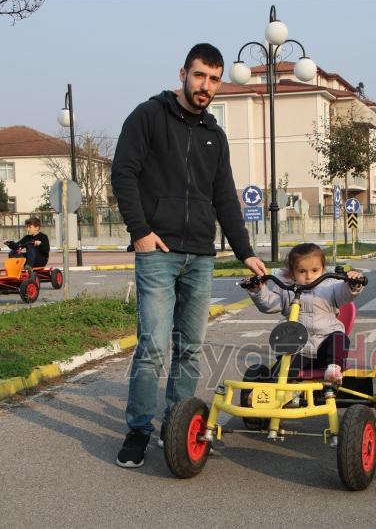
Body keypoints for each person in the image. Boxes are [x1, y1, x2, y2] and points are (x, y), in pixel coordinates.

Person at [111, 43, 266, 468]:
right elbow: (122, 172)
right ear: (183, 73)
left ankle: (176, 427)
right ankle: (138, 430)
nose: (206, 86)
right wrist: (140, 231)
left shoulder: (215, 136)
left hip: (200, 255)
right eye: (200, 76)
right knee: (154, 346)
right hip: (157, 252)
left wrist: (245, 252)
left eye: (214, 79)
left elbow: (224, 198)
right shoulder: (148, 116)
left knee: (192, 348)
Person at [245, 243, 364, 384]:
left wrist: (353, 283)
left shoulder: (331, 286)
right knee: (279, 375)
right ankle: (266, 392)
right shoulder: (286, 289)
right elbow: (268, 305)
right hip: (299, 349)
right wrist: (257, 290)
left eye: (315, 270)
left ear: (323, 269)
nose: (309, 276)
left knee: (339, 337)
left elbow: (345, 294)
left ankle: (334, 369)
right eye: (302, 271)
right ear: (292, 272)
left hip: (326, 347)